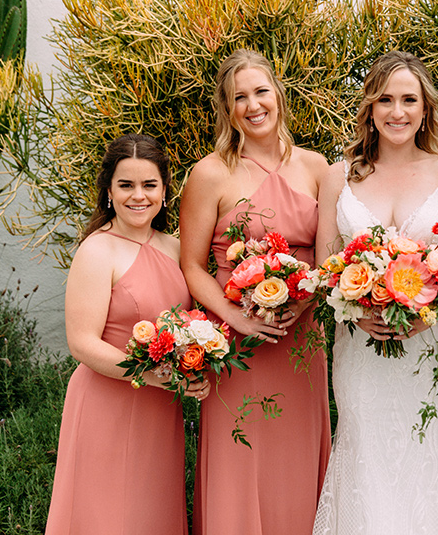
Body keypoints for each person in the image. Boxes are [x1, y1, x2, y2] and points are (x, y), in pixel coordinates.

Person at [312, 51, 438, 534]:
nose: (397, 111)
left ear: (425, 108)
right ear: (369, 107)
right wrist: (354, 310)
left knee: (433, 452)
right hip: (361, 352)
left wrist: (427, 313)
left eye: (409, 99)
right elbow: (325, 267)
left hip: (432, 352)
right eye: (385, 99)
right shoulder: (337, 175)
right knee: (366, 456)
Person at [179, 49, 331, 535]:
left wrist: (304, 300)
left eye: (260, 91)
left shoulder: (316, 167)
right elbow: (193, 265)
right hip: (239, 345)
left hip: (302, 342)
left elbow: (330, 259)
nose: (253, 104)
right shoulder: (209, 174)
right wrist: (238, 317)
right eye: (238, 97)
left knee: (297, 460)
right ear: (227, 109)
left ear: (279, 97)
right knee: (241, 458)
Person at [46, 133, 208, 534]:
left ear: (165, 191)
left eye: (149, 185)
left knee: (149, 513)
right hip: (108, 404)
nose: (139, 196)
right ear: (108, 192)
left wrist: (196, 368)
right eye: (126, 185)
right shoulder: (97, 251)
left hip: (159, 408)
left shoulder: (175, 247)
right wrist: (153, 376)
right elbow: (81, 342)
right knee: (106, 516)